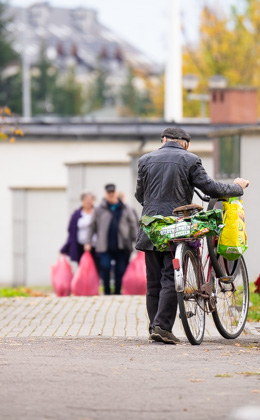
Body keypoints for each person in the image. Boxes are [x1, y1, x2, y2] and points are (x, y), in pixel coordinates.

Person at [135, 127, 250, 344]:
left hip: (151, 225)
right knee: (171, 276)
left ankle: (154, 326)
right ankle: (162, 327)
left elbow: (140, 194)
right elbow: (211, 187)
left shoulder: (145, 160)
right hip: (177, 226)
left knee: (154, 281)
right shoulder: (190, 159)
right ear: (185, 143)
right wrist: (237, 187)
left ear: (164, 140)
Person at [88, 183, 139, 295]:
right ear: (105, 194)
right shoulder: (99, 209)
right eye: (108, 193)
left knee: (120, 270)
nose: (111, 194)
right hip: (105, 245)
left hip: (122, 245)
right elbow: (92, 226)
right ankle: (106, 291)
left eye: (113, 192)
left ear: (116, 193)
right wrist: (88, 241)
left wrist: (137, 241)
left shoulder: (125, 208)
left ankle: (117, 292)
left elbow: (133, 225)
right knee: (105, 267)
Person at [60, 192, 96, 267]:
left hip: (96, 246)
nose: (88, 201)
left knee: (96, 268)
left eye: (90, 199)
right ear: (82, 200)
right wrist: (64, 248)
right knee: (83, 268)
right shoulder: (76, 214)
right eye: (86, 199)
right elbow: (71, 232)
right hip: (80, 245)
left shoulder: (98, 213)